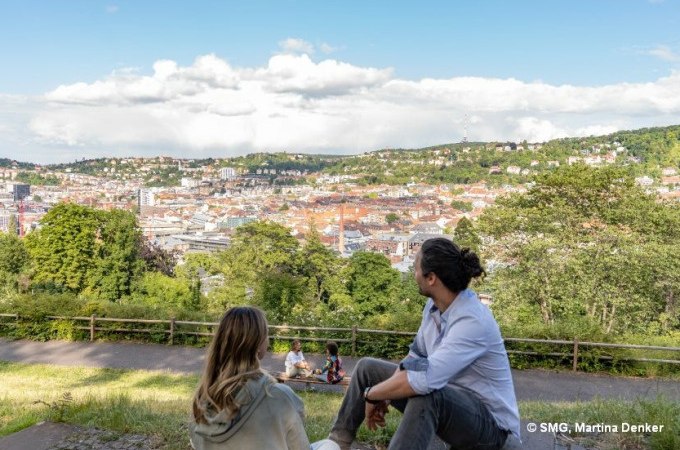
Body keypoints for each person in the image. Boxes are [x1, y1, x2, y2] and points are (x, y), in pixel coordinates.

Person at [328, 238, 520, 450]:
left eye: (415, 268)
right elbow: (415, 360)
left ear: (431, 278)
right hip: (451, 401)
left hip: (491, 428)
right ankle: (336, 443)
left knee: (428, 396)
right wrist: (384, 389)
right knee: (367, 368)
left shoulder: (472, 320)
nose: (413, 274)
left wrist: (373, 394)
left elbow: (424, 380)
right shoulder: (434, 308)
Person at [190, 306, 339, 450]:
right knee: (330, 445)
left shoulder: (201, 401)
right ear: (258, 344)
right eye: (266, 334)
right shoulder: (280, 396)